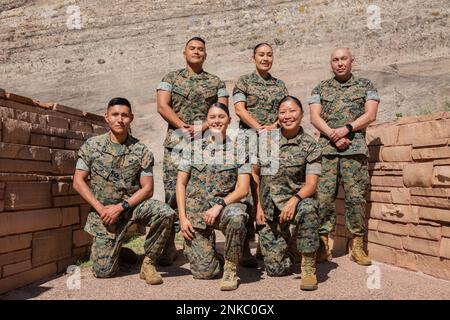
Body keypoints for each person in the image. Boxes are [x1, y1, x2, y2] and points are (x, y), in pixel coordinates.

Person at [73, 97, 175, 284]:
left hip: (131, 208)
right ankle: (119, 250)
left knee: (165, 212)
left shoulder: (140, 150)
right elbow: (78, 181)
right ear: (106, 117)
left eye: (124, 115)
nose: (120, 119)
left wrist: (121, 207)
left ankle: (148, 262)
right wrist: (101, 208)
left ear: (131, 118)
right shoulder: (91, 146)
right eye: (115, 115)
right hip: (104, 213)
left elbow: (148, 189)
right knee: (103, 272)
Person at [156, 36, 229, 266]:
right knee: (171, 195)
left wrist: (203, 127)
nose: (196, 52)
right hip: (177, 143)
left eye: (201, 49)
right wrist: (182, 126)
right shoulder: (171, 78)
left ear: (205, 54)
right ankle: (168, 247)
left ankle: (203, 243)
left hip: (207, 145)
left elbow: (224, 109)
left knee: (206, 193)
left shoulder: (216, 82)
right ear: (184, 52)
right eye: (192, 48)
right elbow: (162, 105)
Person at [309, 47, 380, 265]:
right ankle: (322, 245)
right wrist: (333, 134)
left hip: (354, 150)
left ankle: (357, 245)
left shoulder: (366, 86)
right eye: (335, 60)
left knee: (356, 197)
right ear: (331, 63)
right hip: (328, 151)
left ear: (352, 61)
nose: (340, 63)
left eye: (344, 59)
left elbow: (371, 114)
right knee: (323, 197)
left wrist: (346, 129)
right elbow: (314, 117)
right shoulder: (320, 87)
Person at [176, 103, 251, 291]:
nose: (217, 120)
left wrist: (219, 204)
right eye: (212, 117)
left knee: (236, 216)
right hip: (197, 214)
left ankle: (231, 268)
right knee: (205, 273)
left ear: (229, 120)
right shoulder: (192, 148)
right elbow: (181, 184)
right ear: (207, 121)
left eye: (221, 117)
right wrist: (183, 217)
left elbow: (243, 189)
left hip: (225, 208)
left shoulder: (239, 150)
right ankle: (212, 255)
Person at [254, 96, 321, 291]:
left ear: (301, 114)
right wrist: (258, 205)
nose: (287, 116)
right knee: (276, 269)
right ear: (277, 116)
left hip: (297, 202)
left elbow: (311, 184)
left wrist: (295, 200)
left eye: (292, 111)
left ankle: (308, 266)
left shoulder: (311, 146)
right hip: (269, 206)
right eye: (282, 112)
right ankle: (289, 244)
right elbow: (255, 174)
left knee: (309, 209)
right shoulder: (266, 141)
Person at [232, 42, 289, 267]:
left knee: (268, 190)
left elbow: (285, 111)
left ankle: (266, 244)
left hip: (272, 143)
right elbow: (239, 109)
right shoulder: (243, 82)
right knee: (247, 194)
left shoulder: (280, 85)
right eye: (261, 55)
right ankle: (245, 245)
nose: (265, 58)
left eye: (269, 55)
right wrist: (260, 128)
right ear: (253, 57)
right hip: (248, 141)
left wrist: (273, 127)